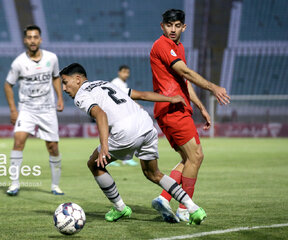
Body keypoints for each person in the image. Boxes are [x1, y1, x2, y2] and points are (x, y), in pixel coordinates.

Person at [60, 63, 207, 225]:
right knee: (153, 173)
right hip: (145, 124)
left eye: (65, 82)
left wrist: (104, 147)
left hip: (124, 131)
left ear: (78, 79)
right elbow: (142, 95)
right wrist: (170, 99)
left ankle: (120, 208)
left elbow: (100, 114)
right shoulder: (106, 83)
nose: (64, 88)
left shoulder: (81, 95)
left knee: (94, 164)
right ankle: (192, 208)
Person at [150, 9, 230, 222]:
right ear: (162, 26)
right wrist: (213, 87)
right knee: (196, 156)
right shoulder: (163, 46)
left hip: (173, 109)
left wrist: (201, 106)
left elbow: (182, 81)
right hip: (173, 109)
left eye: (177, 25)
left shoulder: (178, 48)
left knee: (187, 159)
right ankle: (185, 208)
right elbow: (185, 73)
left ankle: (164, 197)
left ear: (184, 27)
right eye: (169, 25)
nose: (173, 29)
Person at [4, 25, 64, 196]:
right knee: (18, 140)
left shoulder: (52, 58)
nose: (32, 40)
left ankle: (55, 186)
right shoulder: (18, 62)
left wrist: (60, 98)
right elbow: (8, 85)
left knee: (52, 147)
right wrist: (13, 110)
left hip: (47, 109)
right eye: (29, 37)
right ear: (25, 40)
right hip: (27, 109)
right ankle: (14, 184)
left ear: (40, 39)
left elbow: (55, 77)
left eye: (35, 37)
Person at [110, 65, 138, 167]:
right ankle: (122, 159)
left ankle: (123, 159)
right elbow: (126, 97)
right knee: (123, 136)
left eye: (127, 72)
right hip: (117, 114)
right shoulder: (117, 83)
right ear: (119, 72)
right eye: (124, 72)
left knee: (121, 136)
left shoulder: (121, 83)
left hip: (119, 113)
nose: (126, 74)